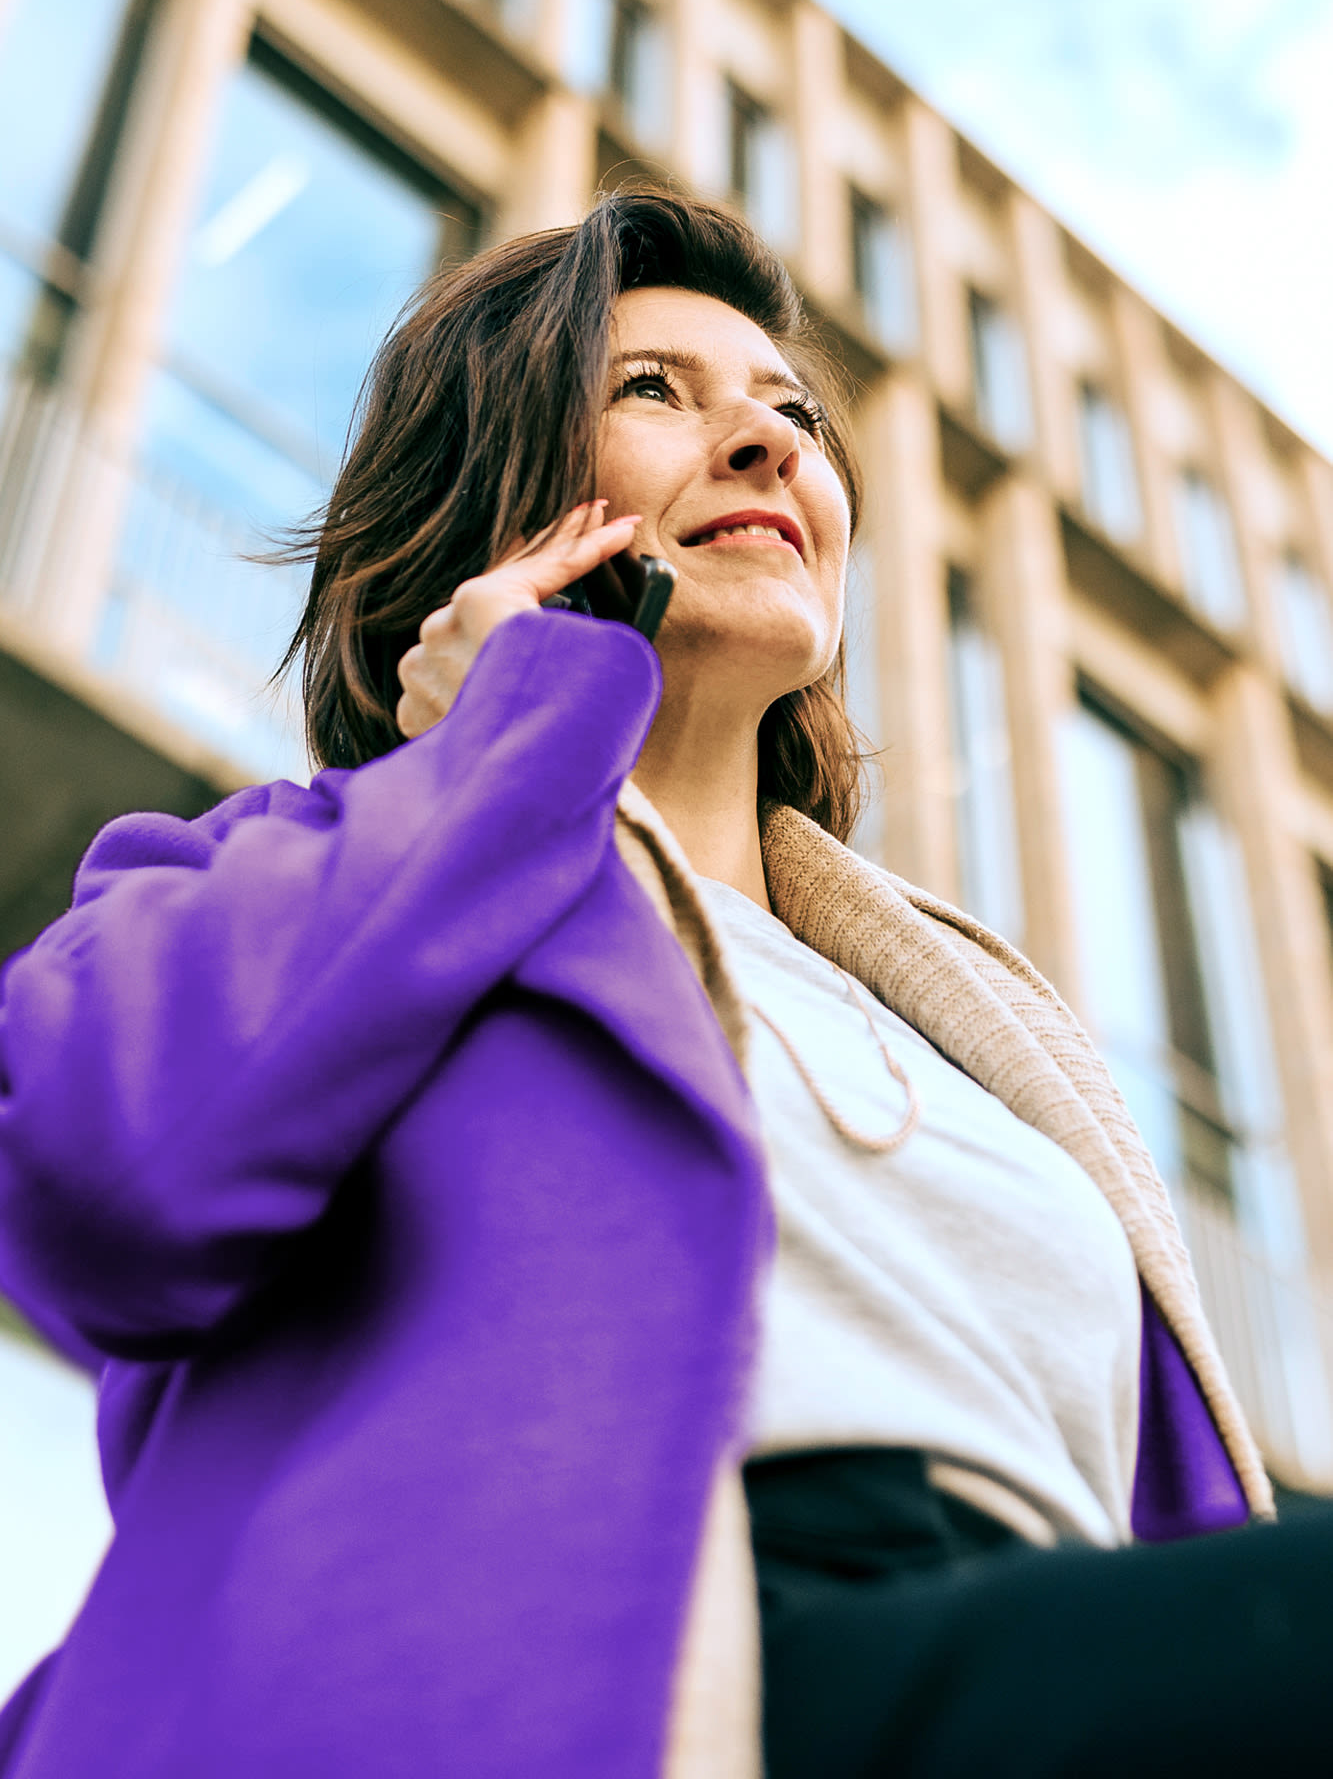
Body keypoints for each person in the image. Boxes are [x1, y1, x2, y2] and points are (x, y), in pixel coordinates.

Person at [0, 187, 1329, 1779]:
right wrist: (501, 736)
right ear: (497, 500)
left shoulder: (971, 1025)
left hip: (1025, 1649)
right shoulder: (277, 877)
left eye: (793, 415)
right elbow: (103, 1184)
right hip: (590, 1674)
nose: (770, 444)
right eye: (653, 390)